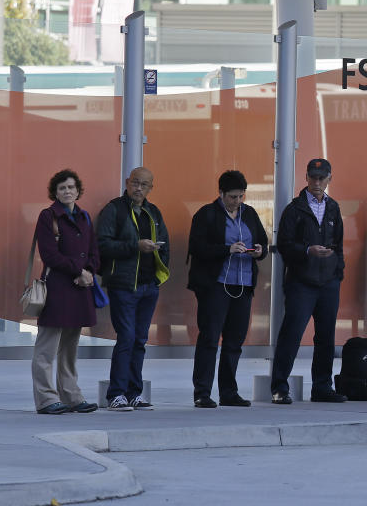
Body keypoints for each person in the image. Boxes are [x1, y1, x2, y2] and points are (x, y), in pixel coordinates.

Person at [188, 170, 269, 408]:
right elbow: (197, 247)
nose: (237, 201)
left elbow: (262, 242)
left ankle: (229, 391)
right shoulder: (207, 214)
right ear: (221, 193)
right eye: (232, 197)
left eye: (241, 196)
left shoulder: (250, 214)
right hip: (216, 284)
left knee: (235, 340)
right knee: (210, 338)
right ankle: (202, 392)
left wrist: (259, 250)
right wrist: (227, 249)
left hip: (242, 284)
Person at [271, 158, 347, 404]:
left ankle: (322, 387)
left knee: (325, 337)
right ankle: (280, 387)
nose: (317, 182)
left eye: (321, 178)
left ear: (329, 179)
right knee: (292, 334)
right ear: (306, 177)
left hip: (328, 281)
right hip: (302, 281)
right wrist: (307, 250)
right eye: (313, 177)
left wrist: (337, 272)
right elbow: (284, 245)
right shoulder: (295, 209)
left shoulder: (333, 207)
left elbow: (339, 244)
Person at [97, 166, 169, 412]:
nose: (139, 188)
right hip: (124, 285)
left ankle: (133, 393)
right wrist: (135, 246)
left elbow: (165, 244)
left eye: (144, 184)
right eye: (135, 183)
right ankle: (116, 394)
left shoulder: (153, 211)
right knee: (126, 338)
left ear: (151, 188)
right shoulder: (114, 209)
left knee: (139, 340)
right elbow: (103, 245)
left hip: (149, 285)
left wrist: (159, 277)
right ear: (127, 182)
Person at [31, 169, 100, 415]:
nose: (67, 191)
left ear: (78, 190)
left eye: (71, 187)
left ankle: (71, 395)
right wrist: (78, 272)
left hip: (79, 288)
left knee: (70, 348)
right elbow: (49, 255)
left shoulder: (84, 216)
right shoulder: (47, 216)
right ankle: (46, 399)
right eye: (62, 188)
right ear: (55, 192)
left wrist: (90, 271)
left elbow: (93, 250)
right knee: (46, 348)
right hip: (58, 288)